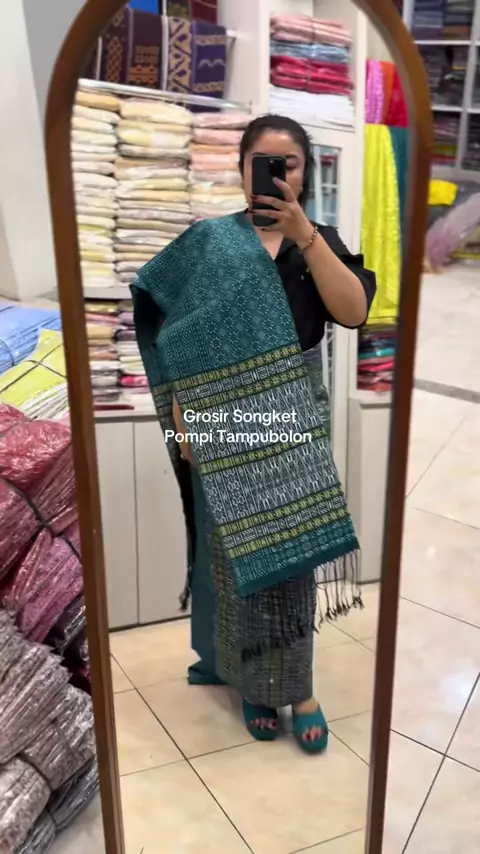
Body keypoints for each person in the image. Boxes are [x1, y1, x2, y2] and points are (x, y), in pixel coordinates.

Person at [132, 114, 376, 755]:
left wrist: (305, 236)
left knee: (291, 559)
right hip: (221, 415)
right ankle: (252, 685)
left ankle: (302, 691)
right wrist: (183, 419)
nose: (275, 174)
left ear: (305, 171)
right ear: (241, 169)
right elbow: (171, 330)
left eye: (288, 164)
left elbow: (353, 312)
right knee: (234, 556)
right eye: (262, 163)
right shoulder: (210, 244)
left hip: (292, 412)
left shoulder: (319, 241)